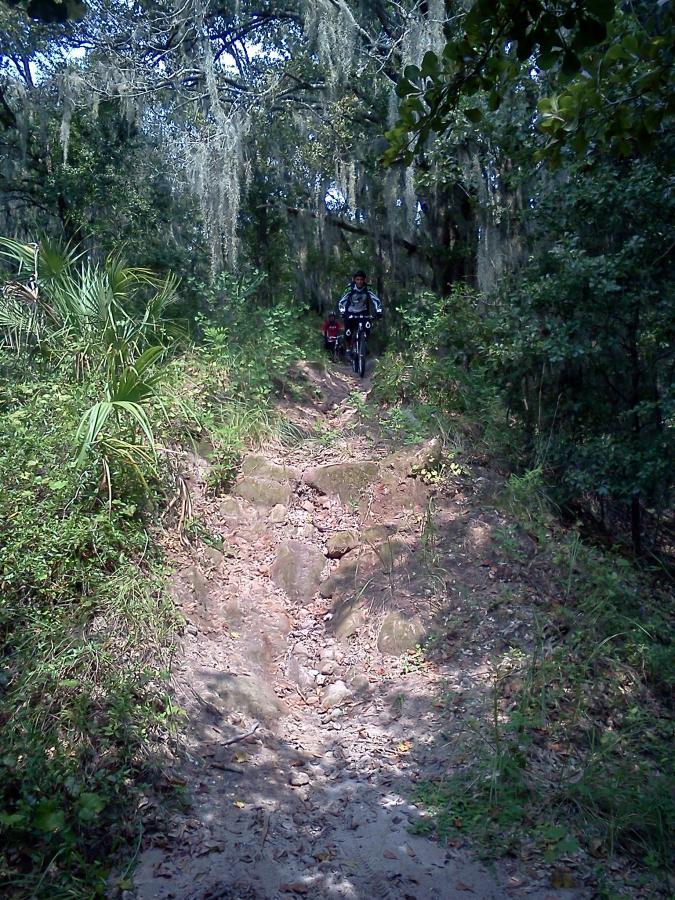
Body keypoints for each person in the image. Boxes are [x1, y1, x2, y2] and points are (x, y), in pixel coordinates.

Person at [337, 270, 383, 350]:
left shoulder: (368, 288)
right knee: (348, 333)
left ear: (364, 280)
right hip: (350, 312)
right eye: (357, 279)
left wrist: (379, 311)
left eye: (361, 280)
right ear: (354, 280)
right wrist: (342, 312)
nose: (359, 282)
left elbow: (376, 300)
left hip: (363, 312)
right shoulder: (350, 288)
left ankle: (363, 345)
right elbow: (342, 301)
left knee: (367, 326)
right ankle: (348, 349)